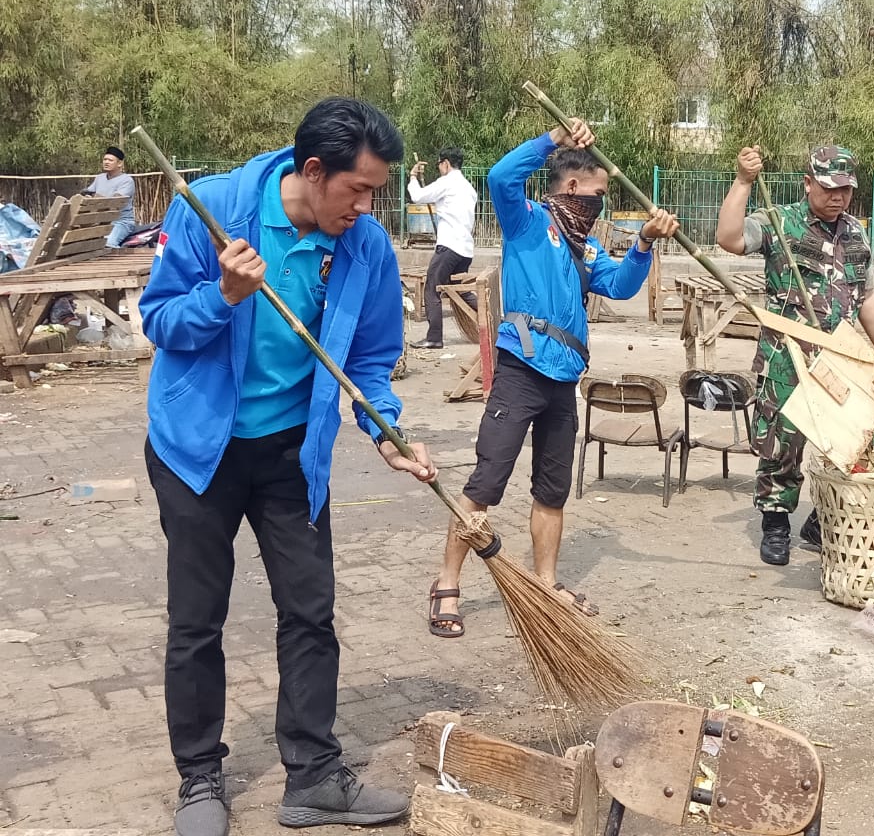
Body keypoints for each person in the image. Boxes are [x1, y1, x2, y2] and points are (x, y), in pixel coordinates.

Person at [139, 97, 439, 836]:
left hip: (290, 453)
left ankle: (312, 778)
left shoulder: (363, 247)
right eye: (358, 189)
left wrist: (386, 431)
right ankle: (200, 779)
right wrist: (223, 296)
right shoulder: (213, 211)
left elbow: (365, 360)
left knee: (310, 613)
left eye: (377, 191)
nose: (369, 207)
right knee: (197, 619)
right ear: (313, 170)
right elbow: (160, 320)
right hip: (196, 450)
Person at [426, 118, 679, 637]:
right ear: (571, 185)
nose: (601, 203)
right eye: (599, 193)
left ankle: (545, 582)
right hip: (520, 370)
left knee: (552, 489)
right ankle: (447, 583)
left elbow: (622, 287)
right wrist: (551, 142)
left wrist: (644, 245)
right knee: (486, 482)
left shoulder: (587, 247)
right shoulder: (527, 221)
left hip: (564, 380)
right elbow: (500, 176)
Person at [716, 145, 874, 566]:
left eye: (846, 190)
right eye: (830, 188)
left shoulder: (855, 233)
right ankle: (776, 522)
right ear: (808, 183)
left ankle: (823, 517)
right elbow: (729, 238)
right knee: (783, 443)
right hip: (787, 356)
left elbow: (866, 294)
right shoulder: (781, 223)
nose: (838, 197)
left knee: (858, 440)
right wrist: (743, 181)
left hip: (843, 358)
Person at [406, 147, 478, 349]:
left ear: (445, 163)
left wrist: (413, 177)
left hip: (449, 246)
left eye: (439, 165)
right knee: (459, 291)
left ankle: (434, 337)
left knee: (432, 289)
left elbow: (418, 197)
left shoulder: (447, 183)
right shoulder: (468, 188)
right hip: (465, 249)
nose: (439, 168)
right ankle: (493, 317)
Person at [80, 145, 137, 247]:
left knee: (107, 244)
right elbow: (88, 193)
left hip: (120, 222)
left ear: (119, 163)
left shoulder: (127, 180)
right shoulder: (99, 178)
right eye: (105, 159)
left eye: (110, 160)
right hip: (100, 221)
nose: (106, 162)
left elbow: (115, 202)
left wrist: (96, 197)